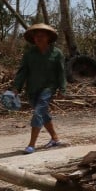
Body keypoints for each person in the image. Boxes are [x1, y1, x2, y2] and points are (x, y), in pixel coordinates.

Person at [13, 23, 67, 154]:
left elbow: (61, 72)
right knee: (43, 114)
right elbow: (22, 72)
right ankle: (55, 138)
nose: (39, 39)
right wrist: (16, 88)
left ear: (48, 37)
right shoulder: (29, 55)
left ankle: (31, 145)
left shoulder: (56, 53)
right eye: (36, 36)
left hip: (49, 87)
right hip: (32, 89)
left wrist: (62, 89)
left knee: (38, 112)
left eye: (42, 36)